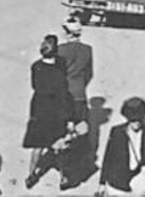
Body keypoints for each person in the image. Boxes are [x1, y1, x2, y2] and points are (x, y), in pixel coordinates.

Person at [23, 35, 75, 190]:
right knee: (59, 147)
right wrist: (69, 117)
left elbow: (36, 87)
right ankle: (64, 177)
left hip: (40, 110)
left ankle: (31, 175)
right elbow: (64, 91)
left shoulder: (36, 66)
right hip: (57, 110)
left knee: (37, 147)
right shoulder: (61, 65)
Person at [57, 18, 93, 188]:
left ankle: (65, 174)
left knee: (65, 136)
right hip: (80, 95)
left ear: (67, 32)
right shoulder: (87, 50)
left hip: (65, 97)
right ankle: (80, 170)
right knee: (81, 134)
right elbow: (89, 73)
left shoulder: (61, 50)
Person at [98, 96, 145, 197]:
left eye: (139, 120)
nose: (137, 123)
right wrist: (102, 183)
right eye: (133, 120)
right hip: (119, 182)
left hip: (139, 181)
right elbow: (108, 157)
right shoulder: (117, 132)